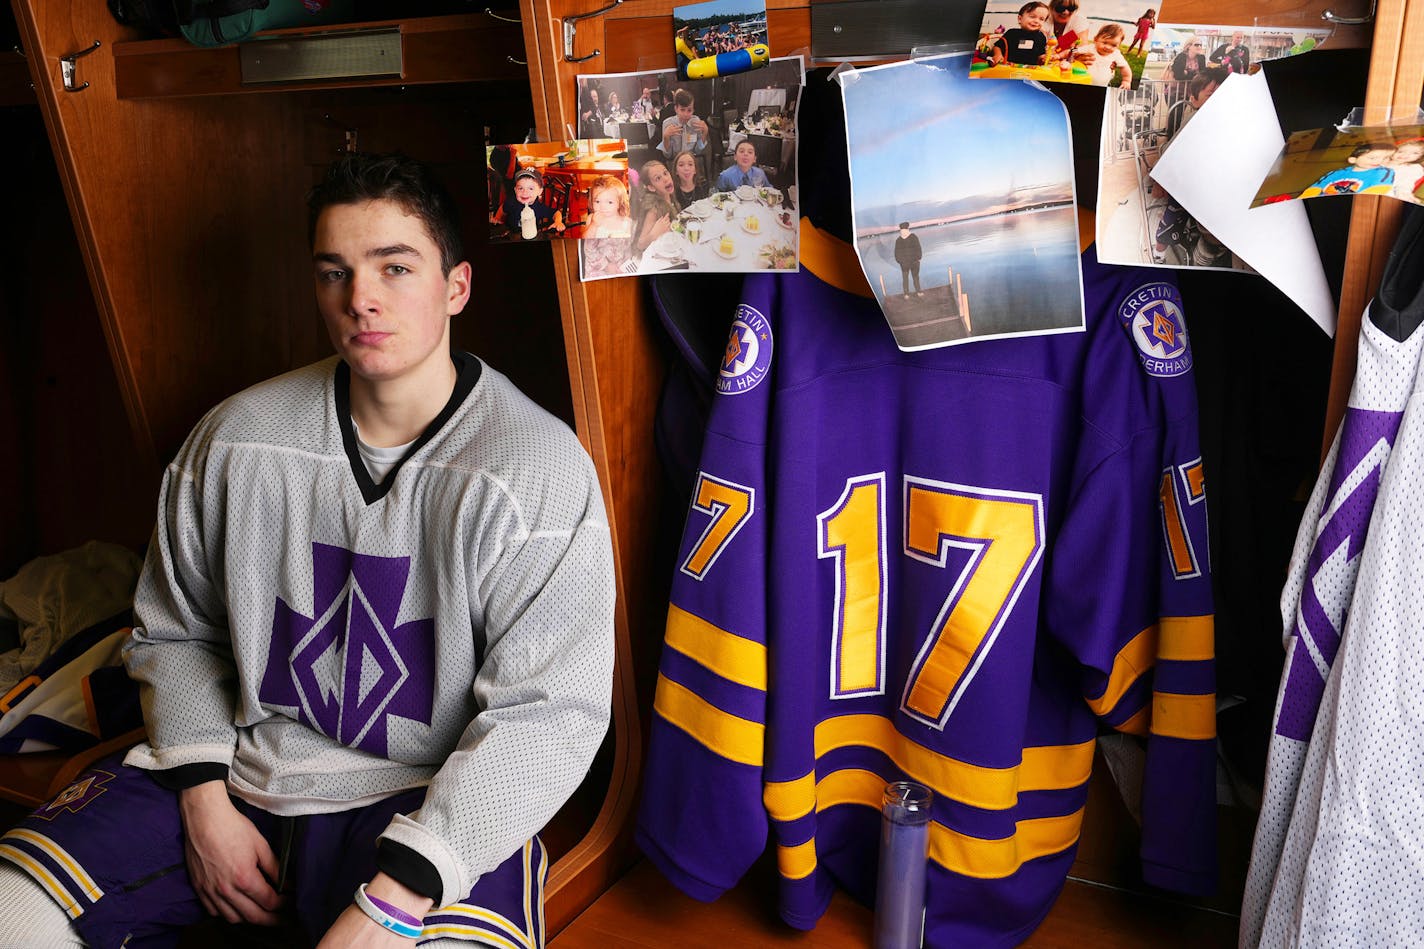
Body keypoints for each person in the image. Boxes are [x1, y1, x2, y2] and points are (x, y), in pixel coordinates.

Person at [0, 151, 616, 948]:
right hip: (243, 770)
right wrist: (202, 798)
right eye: (335, 272)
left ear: (456, 286)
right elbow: (176, 630)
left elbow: (549, 712)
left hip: (422, 799)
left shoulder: (536, 466)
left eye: (395, 267)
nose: (361, 299)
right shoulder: (238, 437)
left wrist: (397, 898)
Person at [1300, 141, 1399, 197]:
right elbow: (1315, 188)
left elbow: (1379, 189)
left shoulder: (1384, 172)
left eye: (1385, 158)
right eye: (1372, 158)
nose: (1379, 161)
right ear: (1353, 160)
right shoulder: (1335, 173)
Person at [633, 158, 679, 256]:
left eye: (665, 173)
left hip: (671, 244)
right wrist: (654, 234)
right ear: (651, 187)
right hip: (657, 255)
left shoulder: (668, 194)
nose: (665, 179)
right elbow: (640, 244)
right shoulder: (653, 209)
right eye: (658, 178)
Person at [501, 167, 560, 236]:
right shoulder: (511, 202)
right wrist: (497, 218)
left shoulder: (539, 207)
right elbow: (502, 208)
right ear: (515, 190)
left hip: (530, 235)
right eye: (520, 188)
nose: (525, 192)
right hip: (510, 234)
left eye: (531, 188)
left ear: (540, 191)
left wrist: (558, 222)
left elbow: (556, 213)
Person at [990, 1, 1050, 66]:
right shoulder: (1012, 33)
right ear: (1020, 19)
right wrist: (998, 55)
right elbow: (997, 47)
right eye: (1032, 17)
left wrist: (1044, 58)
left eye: (1041, 19)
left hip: (1030, 70)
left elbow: (1040, 54)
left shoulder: (1041, 36)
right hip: (1008, 67)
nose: (1036, 21)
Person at [660, 89, 709, 157]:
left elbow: (698, 151)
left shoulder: (696, 122)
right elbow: (667, 155)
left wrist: (705, 133)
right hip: (675, 161)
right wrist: (666, 137)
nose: (686, 114)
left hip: (691, 160)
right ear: (676, 109)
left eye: (689, 110)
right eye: (682, 110)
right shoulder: (668, 123)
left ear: (693, 110)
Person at [893, 221, 923, 298]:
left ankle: (913, 293)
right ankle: (911, 293)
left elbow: (918, 248)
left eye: (903, 230)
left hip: (911, 263)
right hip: (908, 263)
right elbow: (897, 253)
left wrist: (918, 258)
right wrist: (900, 261)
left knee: (911, 278)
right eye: (902, 230)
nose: (903, 232)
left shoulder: (910, 237)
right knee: (910, 278)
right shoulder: (901, 239)